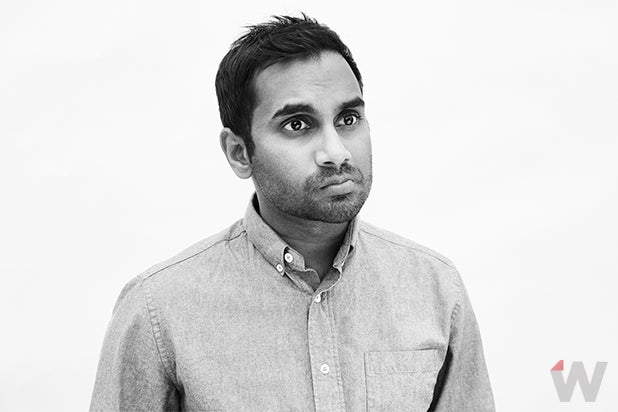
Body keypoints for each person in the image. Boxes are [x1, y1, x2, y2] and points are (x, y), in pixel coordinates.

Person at [90, 14, 495, 412]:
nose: (336, 152)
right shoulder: (159, 310)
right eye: (298, 125)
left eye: (348, 119)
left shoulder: (435, 289)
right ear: (239, 152)